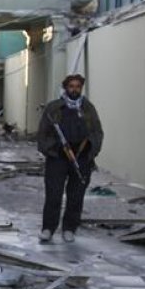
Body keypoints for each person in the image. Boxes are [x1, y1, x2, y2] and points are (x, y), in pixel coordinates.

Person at [36, 74, 104, 243]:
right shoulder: (54, 108)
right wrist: (54, 149)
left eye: (78, 86)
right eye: (71, 86)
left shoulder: (88, 109)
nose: (74, 89)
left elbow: (97, 132)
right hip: (58, 157)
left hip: (81, 158)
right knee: (53, 194)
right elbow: (43, 134)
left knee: (76, 196)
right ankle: (48, 228)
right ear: (66, 87)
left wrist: (90, 150)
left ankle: (69, 228)